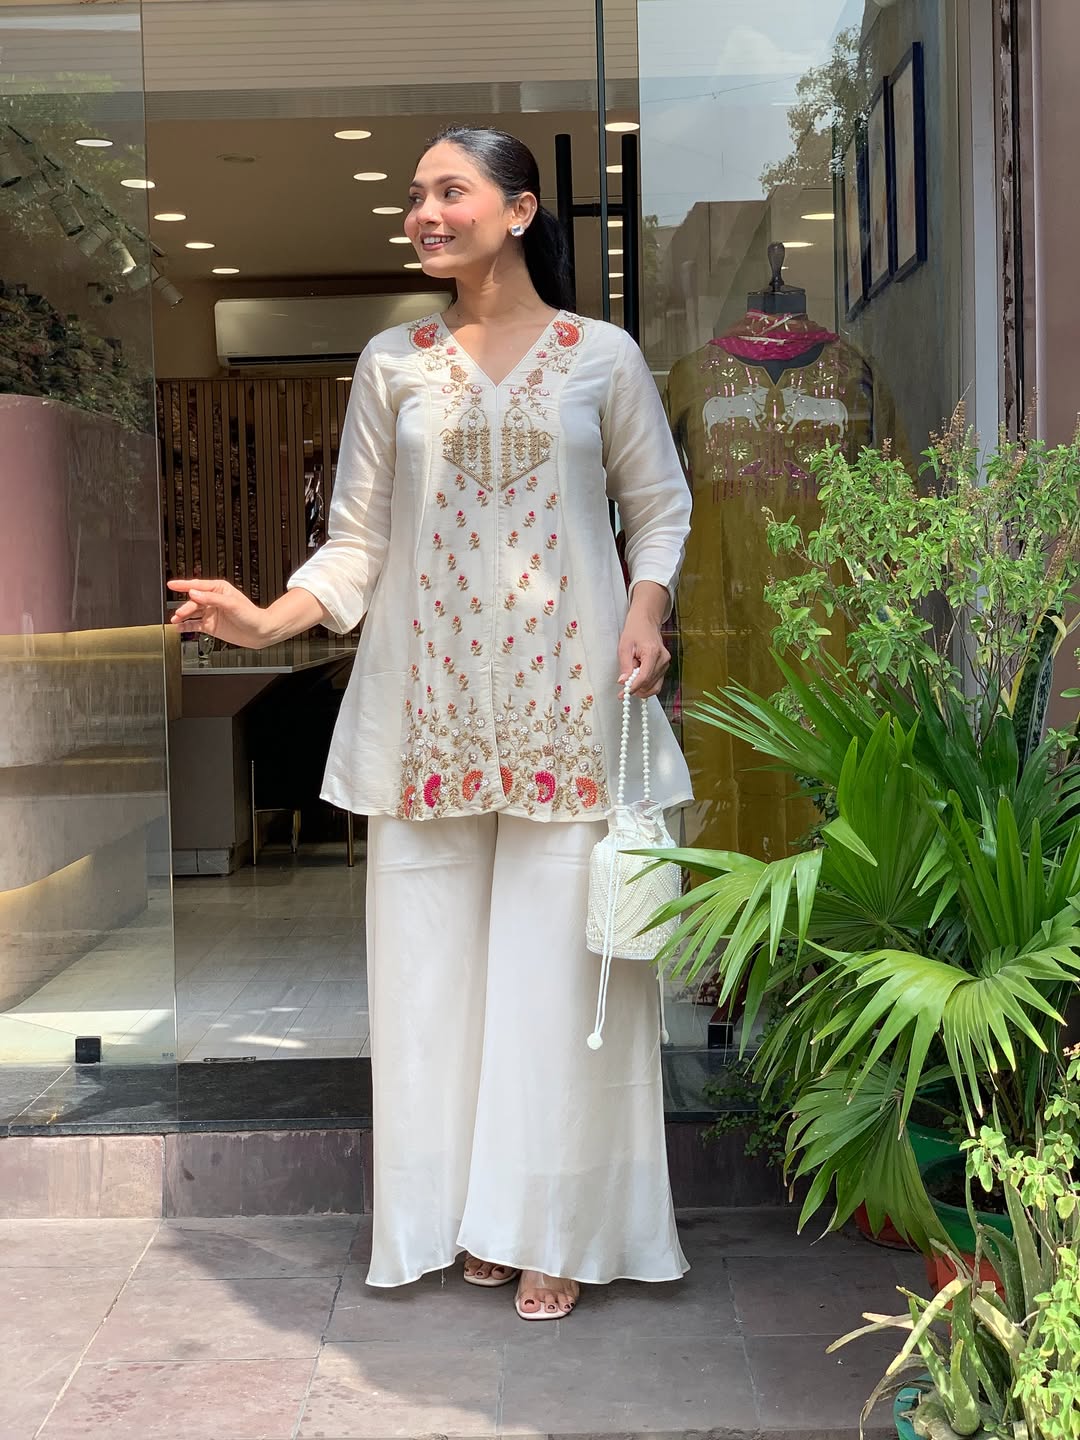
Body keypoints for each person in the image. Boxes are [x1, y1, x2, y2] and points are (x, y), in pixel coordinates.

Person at [169, 125, 693, 1321]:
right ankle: (466, 1217)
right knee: (430, 989)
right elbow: (357, 545)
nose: (424, 211)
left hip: (571, 712)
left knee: (562, 988)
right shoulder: (390, 364)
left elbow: (657, 508)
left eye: (448, 191)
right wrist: (265, 621)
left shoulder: (600, 357)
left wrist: (648, 613)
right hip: (428, 722)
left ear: (517, 211)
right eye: (415, 196)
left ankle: (552, 1224)